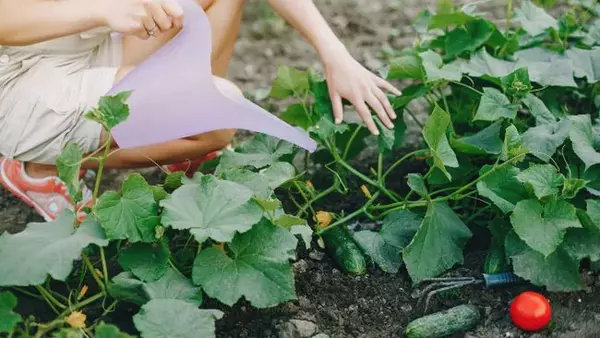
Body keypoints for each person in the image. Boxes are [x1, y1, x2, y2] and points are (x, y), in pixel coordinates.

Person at [0, 0, 401, 221]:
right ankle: (41, 168)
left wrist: (335, 53)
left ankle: (181, 141)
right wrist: (102, 9)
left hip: (81, 42)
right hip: (22, 84)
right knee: (220, 114)